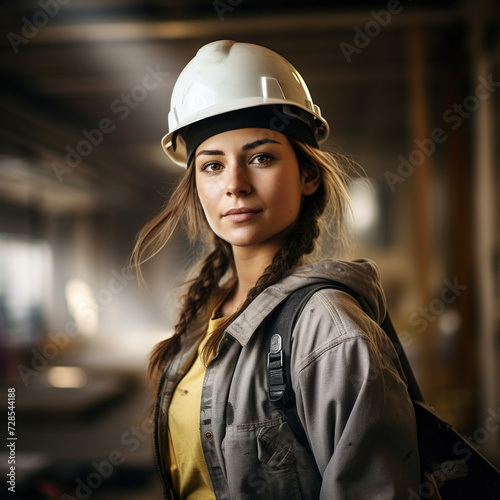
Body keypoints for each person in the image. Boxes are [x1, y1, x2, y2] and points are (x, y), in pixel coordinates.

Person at [132, 40, 421, 500]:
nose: (235, 185)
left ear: (308, 176)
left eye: (261, 157)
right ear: (196, 187)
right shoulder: (207, 310)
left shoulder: (328, 328)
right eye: (212, 165)